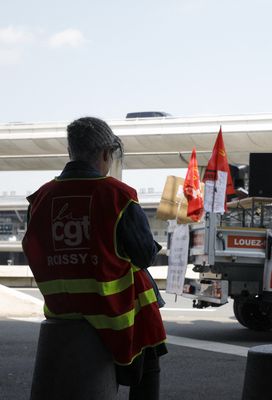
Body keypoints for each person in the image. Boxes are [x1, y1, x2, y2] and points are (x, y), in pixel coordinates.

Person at [22, 116, 167, 399]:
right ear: (104, 154)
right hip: (113, 317)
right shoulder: (118, 195)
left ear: (70, 152)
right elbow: (144, 256)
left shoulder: (39, 198)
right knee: (150, 356)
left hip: (60, 310)